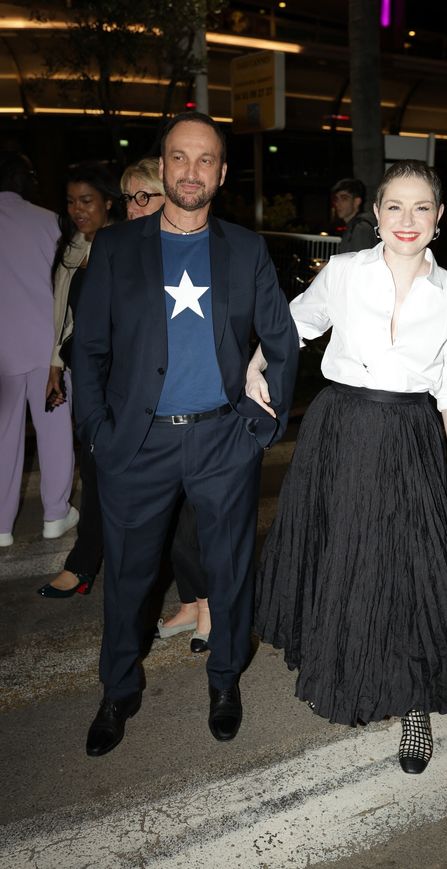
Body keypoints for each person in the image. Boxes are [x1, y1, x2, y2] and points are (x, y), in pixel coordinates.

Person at [249, 160, 447, 775]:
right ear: (377, 214)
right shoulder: (344, 272)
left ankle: (415, 705)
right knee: (343, 557)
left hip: (411, 435)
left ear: (439, 218)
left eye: (421, 207)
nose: (407, 219)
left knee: (411, 571)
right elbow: (296, 323)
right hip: (339, 430)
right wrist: (254, 363)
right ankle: (345, 663)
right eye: (395, 206)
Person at [72, 110, 299, 756]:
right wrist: (98, 432)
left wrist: (262, 426)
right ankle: (118, 689)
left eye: (205, 159)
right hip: (137, 443)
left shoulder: (246, 249)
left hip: (223, 440)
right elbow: (89, 349)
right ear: (164, 165)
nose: (191, 171)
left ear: (221, 174)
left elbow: (281, 340)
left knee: (229, 573)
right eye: (179, 157)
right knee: (129, 577)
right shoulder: (116, 248)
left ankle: (224, 680)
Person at [121, 156, 212, 650]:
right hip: (143, 418)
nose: (133, 208)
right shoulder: (124, 252)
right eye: (128, 198)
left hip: (199, 415)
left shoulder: (202, 249)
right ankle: (191, 601)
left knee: (196, 523)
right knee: (171, 526)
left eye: (144, 196)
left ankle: (211, 607)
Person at [37, 163, 124, 597]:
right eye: (71, 202)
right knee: (93, 469)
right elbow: (63, 314)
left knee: (111, 471)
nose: (77, 210)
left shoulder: (125, 246)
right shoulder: (71, 248)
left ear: (108, 202)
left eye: (86, 200)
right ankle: (86, 562)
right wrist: (55, 367)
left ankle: (90, 563)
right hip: (84, 375)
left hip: (119, 378)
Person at [0, 154, 76, 549]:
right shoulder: (50, 222)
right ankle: (55, 514)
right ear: (19, 178)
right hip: (47, 351)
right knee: (54, 433)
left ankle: (1, 525)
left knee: (2, 439)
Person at [330, 177, 377, 253]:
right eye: (336, 199)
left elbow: (359, 259)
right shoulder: (356, 225)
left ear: (356, 202)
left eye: (344, 198)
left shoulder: (360, 228)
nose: (338, 203)